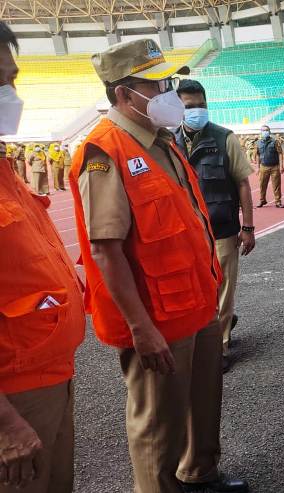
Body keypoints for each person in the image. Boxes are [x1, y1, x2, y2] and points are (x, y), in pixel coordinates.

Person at [69, 39, 248, 493]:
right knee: (158, 427)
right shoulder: (103, 152)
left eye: (168, 81)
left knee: (203, 403)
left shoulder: (162, 142)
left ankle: (200, 473)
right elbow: (105, 251)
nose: (168, 92)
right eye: (156, 84)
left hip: (196, 303)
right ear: (124, 93)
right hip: (157, 319)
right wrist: (140, 328)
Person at [0, 21, 86, 493]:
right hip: (13, 399)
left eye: (11, 79)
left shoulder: (2, 165)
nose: (10, 93)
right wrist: (5, 423)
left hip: (46, 377)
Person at [173, 79, 256, 373]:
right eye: (189, 106)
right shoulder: (166, 142)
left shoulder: (225, 138)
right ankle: (209, 331)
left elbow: (242, 184)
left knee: (223, 287)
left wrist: (248, 227)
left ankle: (220, 346)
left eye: (201, 105)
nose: (196, 111)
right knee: (193, 289)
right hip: (185, 233)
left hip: (222, 229)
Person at [256, 124, 283, 208]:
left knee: (276, 185)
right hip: (263, 166)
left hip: (274, 166)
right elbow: (257, 155)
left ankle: (278, 201)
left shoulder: (275, 142)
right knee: (262, 185)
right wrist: (257, 167)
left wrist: (281, 166)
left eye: (266, 130)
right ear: (261, 132)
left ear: (269, 132)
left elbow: (280, 153)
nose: (265, 132)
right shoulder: (258, 143)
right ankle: (262, 200)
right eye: (263, 130)